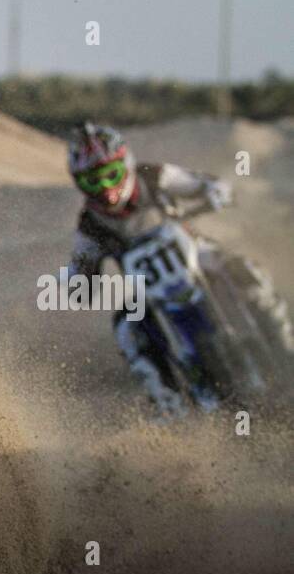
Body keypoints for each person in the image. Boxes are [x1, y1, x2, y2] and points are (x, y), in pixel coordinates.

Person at [66, 121, 292, 414]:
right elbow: (80, 269)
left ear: (126, 164)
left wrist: (217, 191)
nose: (107, 189)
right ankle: (169, 404)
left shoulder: (154, 176)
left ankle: (285, 346)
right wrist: (79, 283)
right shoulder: (89, 225)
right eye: (92, 181)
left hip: (196, 254)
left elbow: (203, 183)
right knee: (126, 330)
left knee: (248, 272)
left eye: (111, 175)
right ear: (79, 183)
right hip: (146, 288)